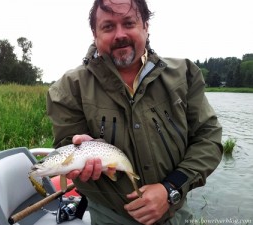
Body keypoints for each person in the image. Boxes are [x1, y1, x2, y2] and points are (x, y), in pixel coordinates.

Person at [46, 0, 223, 224]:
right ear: (94, 33)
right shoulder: (68, 88)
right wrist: (77, 153)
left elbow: (208, 138)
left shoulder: (185, 75)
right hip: (109, 216)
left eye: (129, 23)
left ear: (146, 26)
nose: (120, 34)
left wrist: (171, 188)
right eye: (108, 26)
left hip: (176, 213)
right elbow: (65, 145)